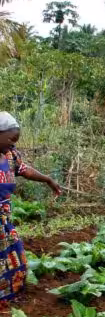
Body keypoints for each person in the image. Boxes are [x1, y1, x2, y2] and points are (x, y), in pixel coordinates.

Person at [0, 112, 61, 301]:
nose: (13, 144)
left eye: (15, 140)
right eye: (11, 139)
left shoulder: (9, 155)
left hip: (4, 221)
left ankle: (7, 299)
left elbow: (24, 169)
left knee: (15, 259)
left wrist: (48, 180)